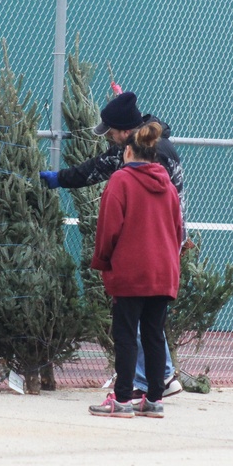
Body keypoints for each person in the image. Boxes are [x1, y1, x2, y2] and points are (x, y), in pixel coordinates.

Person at [40, 91, 184, 399]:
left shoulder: (138, 162)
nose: (111, 140)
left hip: (145, 245)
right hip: (166, 247)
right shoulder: (151, 150)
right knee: (152, 326)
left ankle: (136, 389)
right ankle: (158, 387)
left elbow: (107, 193)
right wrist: (60, 178)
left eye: (112, 133)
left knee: (131, 327)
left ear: (126, 133)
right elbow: (94, 168)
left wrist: (104, 262)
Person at [87, 122, 184, 418]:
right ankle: (153, 399)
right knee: (154, 333)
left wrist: (103, 262)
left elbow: (108, 229)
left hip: (131, 272)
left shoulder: (121, 181)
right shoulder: (167, 184)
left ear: (128, 150)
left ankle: (122, 399)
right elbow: (177, 229)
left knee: (127, 334)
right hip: (163, 272)